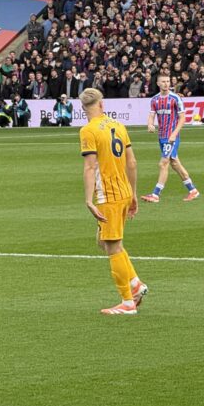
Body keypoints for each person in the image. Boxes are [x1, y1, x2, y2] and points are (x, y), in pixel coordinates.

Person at [78, 87, 147, 315]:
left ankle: (127, 301)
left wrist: (89, 200)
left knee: (112, 246)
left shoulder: (88, 131)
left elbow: (89, 167)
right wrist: (134, 193)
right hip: (124, 191)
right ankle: (135, 283)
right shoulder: (118, 126)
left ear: (83, 108)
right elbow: (133, 162)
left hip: (108, 195)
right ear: (102, 104)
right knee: (104, 241)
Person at [140, 74, 200, 203]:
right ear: (158, 83)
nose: (166, 83)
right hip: (162, 136)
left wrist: (174, 134)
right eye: (163, 81)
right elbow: (151, 115)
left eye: (168, 81)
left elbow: (182, 118)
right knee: (174, 163)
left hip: (171, 137)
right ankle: (193, 190)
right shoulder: (154, 100)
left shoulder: (175, 98)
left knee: (163, 163)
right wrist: (150, 124)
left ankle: (155, 194)